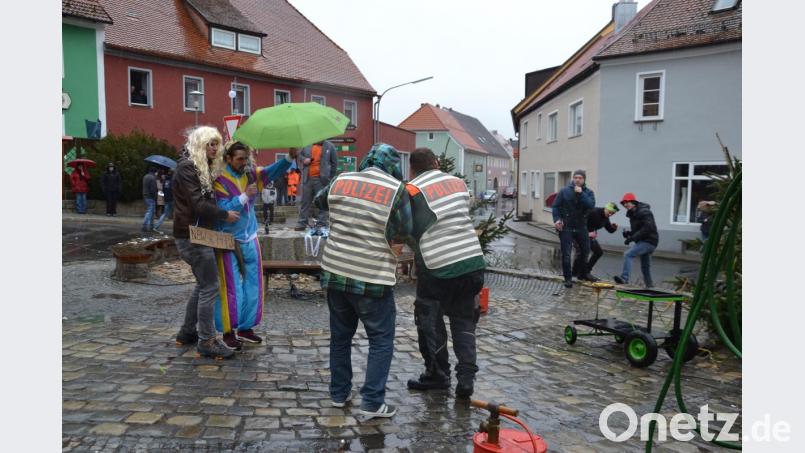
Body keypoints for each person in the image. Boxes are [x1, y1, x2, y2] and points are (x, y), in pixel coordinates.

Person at [315, 143, 411, 419]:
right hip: (372, 276)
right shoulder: (396, 190)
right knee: (381, 339)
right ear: (393, 165)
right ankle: (371, 402)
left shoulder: (342, 179)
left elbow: (318, 202)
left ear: (368, 159)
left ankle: (338, 393)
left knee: (340, 338)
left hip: (335, 271)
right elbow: (404, 230)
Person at [404, 148, 486, 400]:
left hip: (437, 265)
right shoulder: (458, 183)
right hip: (472, 262)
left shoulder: (411, 190)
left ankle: (438, 375)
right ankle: (466, 378)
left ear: (413, 169)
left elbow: (406, 226)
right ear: (437, 163)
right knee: (463, 319)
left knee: (430, 320)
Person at [211, 141, 296, 349]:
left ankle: (246, 328)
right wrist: (243, 196)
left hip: (249, 237)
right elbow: (223, 211)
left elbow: (271, 171)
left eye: (246, 158)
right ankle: (228, 331)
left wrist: (289, 157)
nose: (244, 162)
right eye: (240, 158)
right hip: (227, 240)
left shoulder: (251, 174)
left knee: (254, 284)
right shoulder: (219, 180)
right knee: (231, 288)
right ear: (229, 158)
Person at [172, 126, 240, 359]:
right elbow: (198, 205)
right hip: (193, 236)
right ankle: (207, 340)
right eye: (209, 144)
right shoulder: (187, 168)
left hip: (196, 233)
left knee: (203, 284)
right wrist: (224, 214)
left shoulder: (200, 167)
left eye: (216, 144)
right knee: (210, 286)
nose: (213, 148)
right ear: (199, 145)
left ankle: (187, 332)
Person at [552, 170, 595, 287]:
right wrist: (557, 220)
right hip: (566, 227)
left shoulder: (589, 192)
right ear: (573, 179)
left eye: (580, 178)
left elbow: (591, 205)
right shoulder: (564, 191)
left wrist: (581, 194)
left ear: (584, 179)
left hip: (581, 227)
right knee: (566, 254)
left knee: (585, 251)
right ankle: (568, 278)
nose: (577, 179)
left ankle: (581, 274)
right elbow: (555, 206)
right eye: (575, 177)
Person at [613, 192, 659, 288]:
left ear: (633, 202)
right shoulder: (633, 213)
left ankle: (624, 278)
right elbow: (639, 229)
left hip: (649, 241)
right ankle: (650, 287)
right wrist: (629, 234)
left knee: (628, 254)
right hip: (644, 240)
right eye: (623, 203)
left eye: (627, 202)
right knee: (645, 267)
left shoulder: (644, 211)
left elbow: (648, 228)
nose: (625, 205)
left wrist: (633, 238)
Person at [296, 140, 338, 231]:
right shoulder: (307, 145)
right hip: (307, 179)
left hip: (322, 180)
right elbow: (299, 155)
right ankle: (302, 223)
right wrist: (304, 160)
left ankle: (321, 223)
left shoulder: (330, 146)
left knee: (322, 202)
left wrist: (330, 178)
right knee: (304, 202)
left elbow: (334, 163)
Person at [572, 202, 619, 280]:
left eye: (613, 213)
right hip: (578, 233)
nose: (610, 214)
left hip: (589, 237)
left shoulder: (606, 218)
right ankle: (575, 273)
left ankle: (586, 272)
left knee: (598, 252)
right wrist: (588, 233)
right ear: (606, 208)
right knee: (581, 252)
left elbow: (609, 230)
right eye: (610, 212)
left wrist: (614, 228)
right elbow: (580, 222)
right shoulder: (594, 212)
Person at [142, 167, 158, 232]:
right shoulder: (153, 178)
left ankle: (151, 226)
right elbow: (153, 190)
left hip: (145, 195)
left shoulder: (145, 176)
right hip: (151, 197)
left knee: (151, 211)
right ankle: (144, 226)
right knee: (150, 211)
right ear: (154, 172)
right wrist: (155, 196)